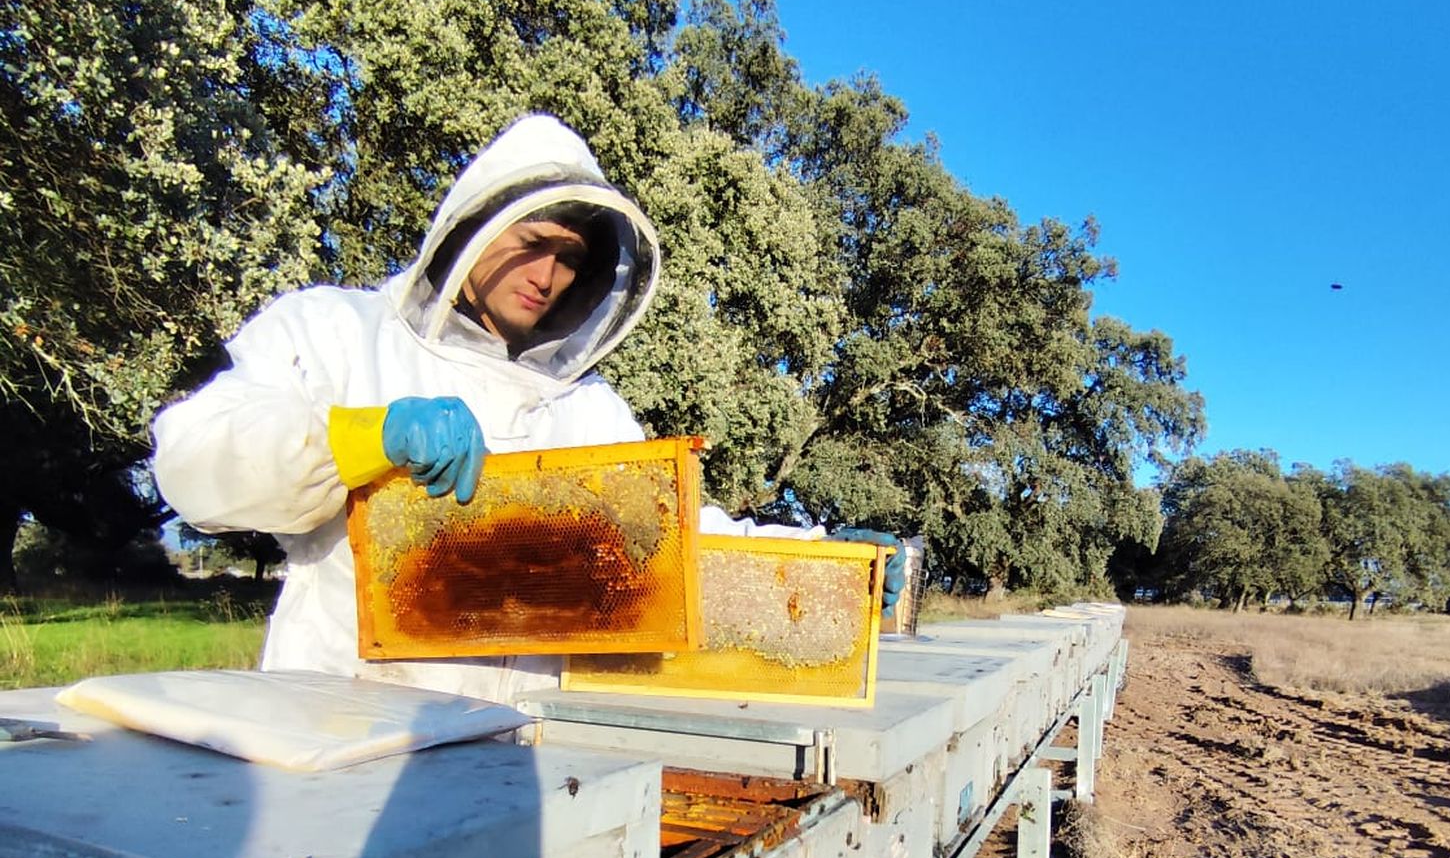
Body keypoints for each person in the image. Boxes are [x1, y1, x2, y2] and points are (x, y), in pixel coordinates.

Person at [154, 113, 903, 705]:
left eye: (571, 259)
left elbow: (672, 543)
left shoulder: (585, 408)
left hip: (508, 761)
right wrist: (365, 436)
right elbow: (193, 462)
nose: (548, 276)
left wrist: (829, 564)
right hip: (334, 732)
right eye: (535, 242)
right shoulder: (335, 332)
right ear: (476, 224)